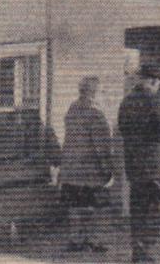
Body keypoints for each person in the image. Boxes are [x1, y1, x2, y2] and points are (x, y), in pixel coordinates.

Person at [117, 65, 160, 263]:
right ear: (152, 81)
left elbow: (122, 130)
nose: (158, 85)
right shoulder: (155, 99)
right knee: (159, 206)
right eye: (158, 82)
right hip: (155, 164)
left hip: (134, 163)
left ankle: (137, 251)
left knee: (139, 207)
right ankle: (145, 250)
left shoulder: (126, 101)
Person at [59, 76, 113, 253]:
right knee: (93, 206)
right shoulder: (96, 114)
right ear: (94, 93)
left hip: (70, 169)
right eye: (102, 91)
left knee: (75, 205)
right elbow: (102, 147)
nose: (104, 95)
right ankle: (92, 240)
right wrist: (108, 170)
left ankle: (75, 240)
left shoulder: (72, 109)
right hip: (90, 170)